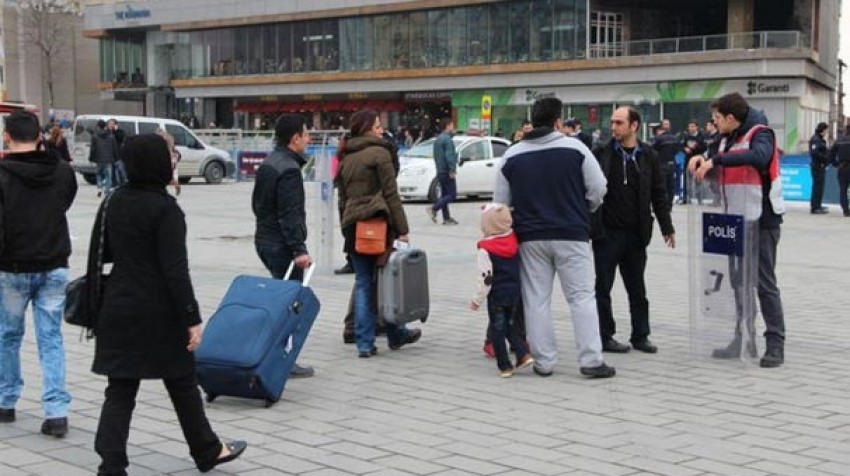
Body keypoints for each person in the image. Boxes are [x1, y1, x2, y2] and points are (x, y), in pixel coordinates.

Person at [90, 134, 246, 475]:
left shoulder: (114, 200)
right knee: (181, 381)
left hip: (119, 304)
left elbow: (106, 253)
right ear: (156, 162)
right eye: (170, 154)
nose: (174, 158)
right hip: (158, 311)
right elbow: (175, 271)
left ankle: (111, 465)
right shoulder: (165, 209)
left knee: (120, 389)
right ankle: (207, 450)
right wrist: (192, 318)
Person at [493, 97, 615, 379]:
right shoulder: (576, 148)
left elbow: (500, 203)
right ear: (559, 121)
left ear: (532, 121)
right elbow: (599, 189)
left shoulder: (511, 155)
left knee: (536, 299)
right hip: (572, 233)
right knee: (582, 297)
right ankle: (591, 360)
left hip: (530, 238)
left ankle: (544, 361)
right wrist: (583, 210)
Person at [689, 92, 786, 368]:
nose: (714, 122)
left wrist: (716, 161)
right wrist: (700, 160)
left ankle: (775, 344)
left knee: (764, 284)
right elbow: (711, 157)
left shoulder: (760, 132)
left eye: (717, 118)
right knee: (738, 282)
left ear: (731, 118)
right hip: (733, 222)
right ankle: (743, 338)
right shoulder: (724, 137)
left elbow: (760, 156)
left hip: (762, 221)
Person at [0, 111, 77, 437]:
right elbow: (65, 202)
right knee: (51, 339)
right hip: (53, 264)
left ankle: (6, 400)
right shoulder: (62, 173)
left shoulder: (2, 175)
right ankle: (56, 411)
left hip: (12, 266)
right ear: (40, 136)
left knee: (7, 335)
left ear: (7, 137)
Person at [336, 109, 422, 358]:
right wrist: (403, 229)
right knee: (387, 280)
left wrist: (345, 229)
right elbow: (390, 194)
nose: (380, 130)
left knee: (363, 282)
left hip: (353, 225)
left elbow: (342, 200)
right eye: (376, 126)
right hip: (377, 224)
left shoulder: (346, 156)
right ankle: (396, 334)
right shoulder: (380, 153)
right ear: (365, 129)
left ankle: (365, 343)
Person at [591, 106, 675, 354]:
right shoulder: (603, 153)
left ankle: (641, 335)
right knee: (602, 287)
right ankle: (604, 335)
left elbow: (659, 193)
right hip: (607, 233)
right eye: (613, 123)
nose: (614, 127)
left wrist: (666, 227)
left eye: (619, 123)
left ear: (634, 125)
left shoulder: (648, 155)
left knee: (637, 288)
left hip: (636, 233)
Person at [252, 114, 315, 378]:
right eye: (306, 134)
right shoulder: (288, 170)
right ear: (295, 138)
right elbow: (290, 213)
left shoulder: (269, 163)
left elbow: (257, 205)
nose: (309, 138)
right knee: (290, 303)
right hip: (282, 246)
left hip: (265, 239)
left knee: (281, 297)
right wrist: (299, 249)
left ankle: (275, 352)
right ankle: (282, 356)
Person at [470, 203, 534, 378]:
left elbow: (486, 277)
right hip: (514, 292)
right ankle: (523, 354)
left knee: (498, 329)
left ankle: (505, 366)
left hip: (497, 295)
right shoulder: (513, 238)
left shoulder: (485, 248)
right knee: (512, 325)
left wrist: (477, 299)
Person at [427, 119, 459, 225]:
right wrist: (452, 169)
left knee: (444, 194)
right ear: (448, 126)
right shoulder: (447, 140)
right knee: (452, 194)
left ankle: (446, 218)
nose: (453, 127)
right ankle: (434, 208)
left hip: (440, 170)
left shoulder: (438, 139)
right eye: (452, 125)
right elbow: (449, 156)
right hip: (446, 170)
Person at [652, 121, 682, 206]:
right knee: (670, 185)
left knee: (662, 185)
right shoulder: (674, 138)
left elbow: (653, 150)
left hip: (661, 163)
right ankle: (669, 205)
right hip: (671, 163)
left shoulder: (658, 138)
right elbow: (678, 149)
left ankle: (662, 204)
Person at [89, 119, 119, 197]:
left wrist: (91, 158)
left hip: (99, 159)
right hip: (109, 159)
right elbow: (114, 148)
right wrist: (116, 158)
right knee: (108, 175)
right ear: (105, 126)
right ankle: (107, 191)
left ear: (98, 126)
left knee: (99, 174)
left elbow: (93, 149)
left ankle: (99, 188)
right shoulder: (111, 136)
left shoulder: (95, 136)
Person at [679, 119, 706, 203]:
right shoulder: (686, 137)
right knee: (687, 179)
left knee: (698, 179)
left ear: (697, 127)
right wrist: (685, 149)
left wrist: (696, 147)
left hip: (698, 159)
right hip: (688, 159)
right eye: (690, 126)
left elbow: (704, 147)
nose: (691, 128)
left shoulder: (701, 136)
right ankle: (686, 198)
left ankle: (699, 198)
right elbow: (681, 146)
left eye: (693, 126)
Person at [809, 122, 830, 214]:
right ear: (823, 129)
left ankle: (818, 205)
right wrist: (824, 158)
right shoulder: (816, 139)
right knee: (817, 187)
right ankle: (815, 207)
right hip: (817, 166)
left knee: (820, 187)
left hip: (821, 166)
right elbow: (815, 153)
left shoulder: (820, 139)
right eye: (826, 130)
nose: (827, 132)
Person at [830, 124, 850, 217]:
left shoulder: (839, 140)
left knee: (843, 189)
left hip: (842, 168)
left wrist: (835, 163)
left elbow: (831, 153)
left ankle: (845, 210)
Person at [155, 128, 182, 196]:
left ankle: (174, 183)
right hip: (173, 158)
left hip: (167, 158)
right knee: (172, 174)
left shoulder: (160, 139)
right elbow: (173, 149)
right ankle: (175, 182)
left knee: (162, 176)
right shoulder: (169, 137)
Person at [107, 119, 127, 187]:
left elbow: (121, 138)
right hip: (110, 155)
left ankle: (123, 185)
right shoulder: (107, 133)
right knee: (111, 174)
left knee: (122, 172)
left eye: (112, 124)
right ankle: (113, 186)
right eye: (109, 124)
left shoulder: (120, 132)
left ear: (116, 124)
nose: (111, 125)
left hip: (119, 156)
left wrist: (115, 131)